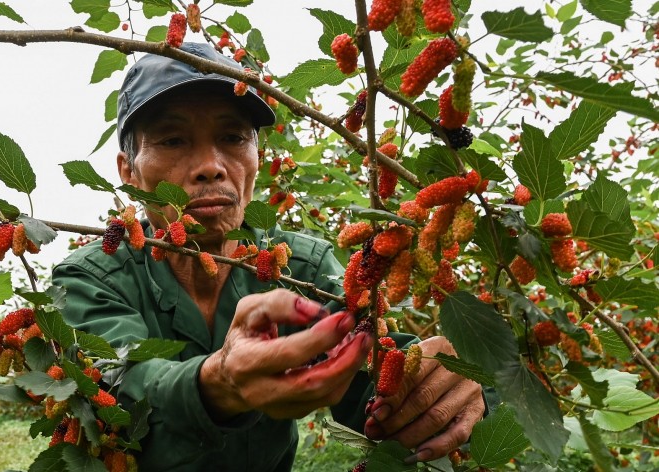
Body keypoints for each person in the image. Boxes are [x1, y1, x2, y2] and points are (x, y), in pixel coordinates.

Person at [52, 42, 485, 471]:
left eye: (233, 137)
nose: (211, 166)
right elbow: (115, 390)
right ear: (128, 170)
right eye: (172, 139)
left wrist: (442, 383)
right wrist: (215, 386)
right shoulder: (90, 278)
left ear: (258, 155)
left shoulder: (300, 266)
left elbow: (374, 376)